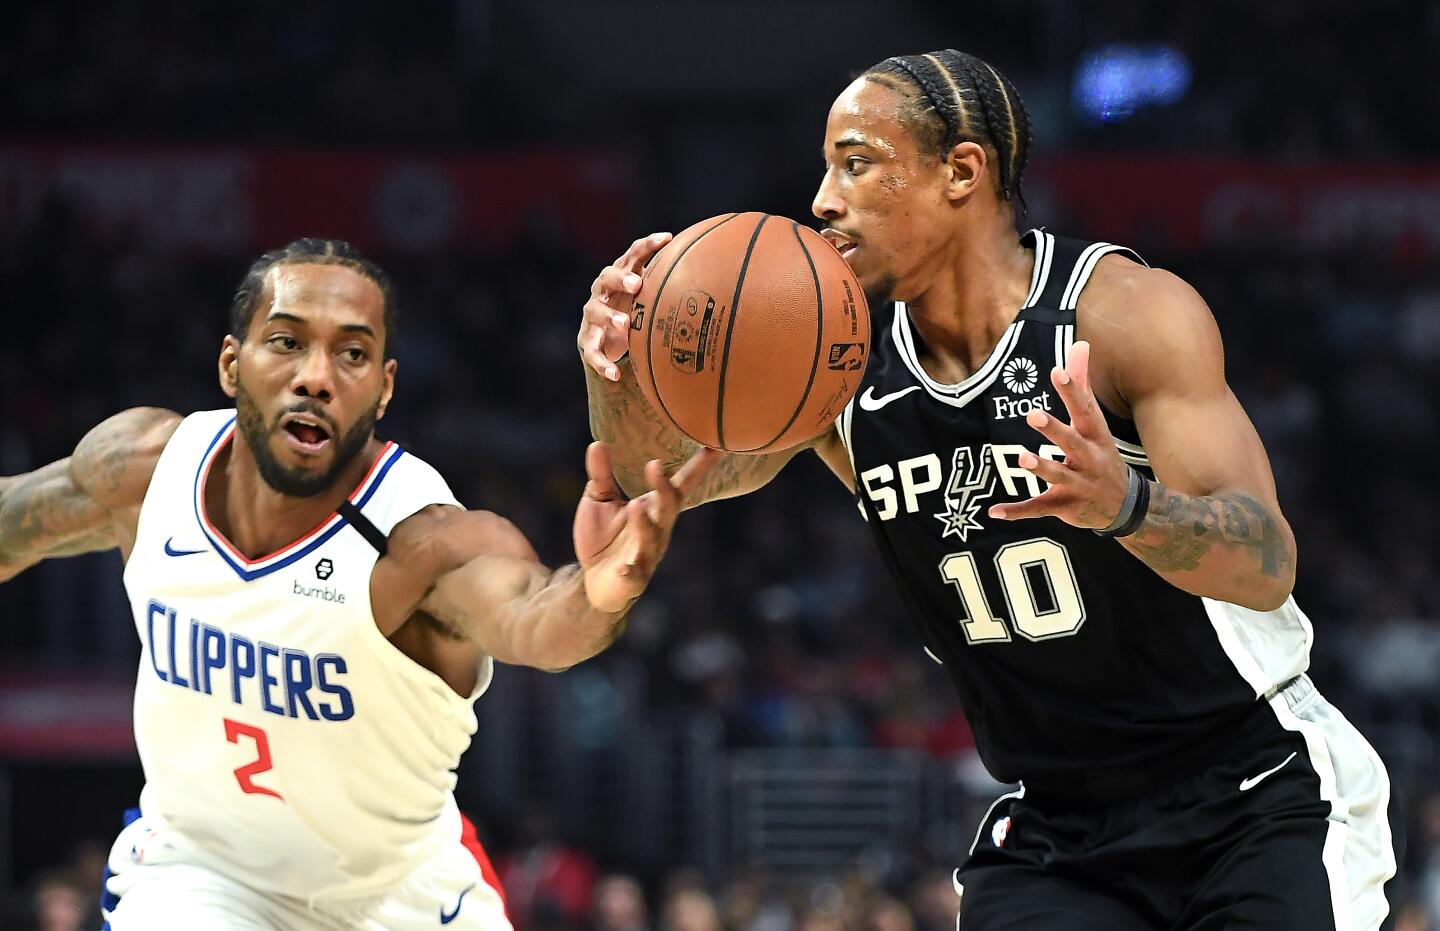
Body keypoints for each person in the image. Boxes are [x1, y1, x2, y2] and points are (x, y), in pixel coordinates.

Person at [579, 50, 1395, 930]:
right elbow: (654, 477)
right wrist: (621, 376)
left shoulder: (1123, 317)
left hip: (1251, 788)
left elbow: (1267, 562)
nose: (821, 199)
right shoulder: (837, 365)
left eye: (855, 163)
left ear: (961, 171)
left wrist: (1127, 504)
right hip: (1057, 824)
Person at [0, 238, 716, 930]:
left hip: (397, 895)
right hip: (202, 874)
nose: (316, 375)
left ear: (383, 388)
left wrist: (599, 590)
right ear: (230, 363)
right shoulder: (145, 470)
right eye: (285, 341)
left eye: (351, 353)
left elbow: (536, 620)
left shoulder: (420, 540)